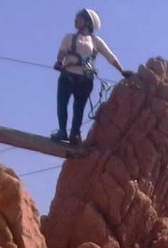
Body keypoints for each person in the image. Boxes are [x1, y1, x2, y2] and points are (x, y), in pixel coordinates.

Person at [52, 8, 134, 145]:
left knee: (79, 107)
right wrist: (59, 62)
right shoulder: (69, 37)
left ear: (87, 22)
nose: (75, 20)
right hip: (67, 75)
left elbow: (110, 57)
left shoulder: (96, 41)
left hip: (84, 79)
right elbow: (62, 52)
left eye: (78, 18)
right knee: (62, 104)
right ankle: (62, 131)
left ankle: (74, 133)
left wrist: (122, 70)